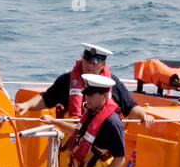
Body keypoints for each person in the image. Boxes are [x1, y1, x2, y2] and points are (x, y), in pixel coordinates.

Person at [14, 43, 148, 123]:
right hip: (72, 138)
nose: (88, 65)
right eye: (86, 60)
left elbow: (130, 107)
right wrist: (25, 105)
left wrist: (144, 116)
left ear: (102, 65)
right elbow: (46, 99)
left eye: (93, 62)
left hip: (102, 139)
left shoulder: (113, 83)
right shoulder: (66, 80)